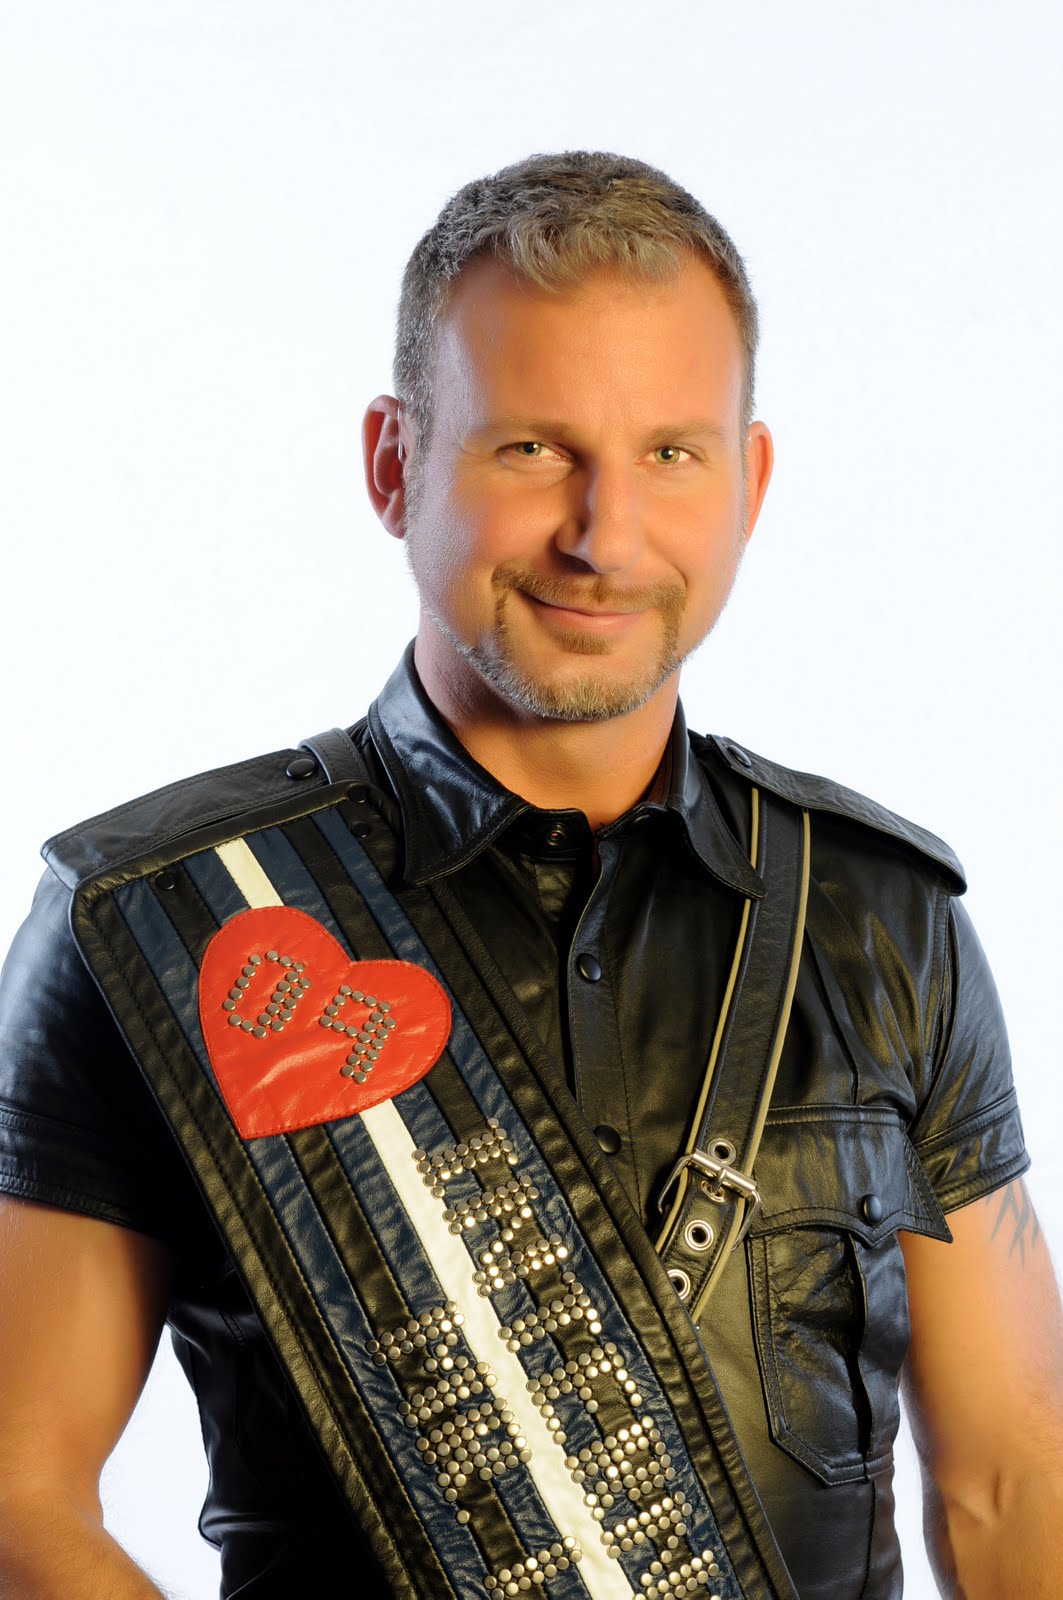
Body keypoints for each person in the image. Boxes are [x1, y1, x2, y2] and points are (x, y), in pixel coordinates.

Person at [0, 150, 1060, 1600]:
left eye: (671, 454)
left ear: (748, 483)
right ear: (395, 464)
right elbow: (17, 1496)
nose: (603, 536)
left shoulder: (884, 921)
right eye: (532, 449)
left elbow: (1012, 1484)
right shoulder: (168, 917)